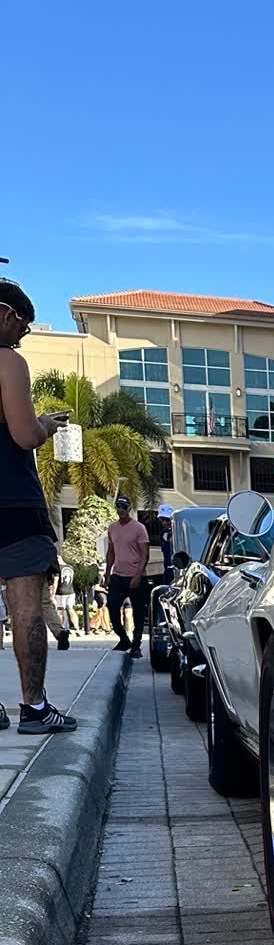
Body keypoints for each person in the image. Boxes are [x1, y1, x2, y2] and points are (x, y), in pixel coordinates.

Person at [0, 279, 78, 734]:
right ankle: (34, 707)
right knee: (27, 603)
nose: (21, 337)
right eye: (22, 328)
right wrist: (46, 424)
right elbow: (23, 435)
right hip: (12, 501)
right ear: (7, 314)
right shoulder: (7, 360)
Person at [104, 495, 150, 655]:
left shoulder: (139, 528)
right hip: (118, 575)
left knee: (138, 612)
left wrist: (138, 576)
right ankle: (124, 640)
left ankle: (136, 646)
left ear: (129, 509)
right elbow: (110, 552)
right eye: (118, 507)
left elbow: (145, 554)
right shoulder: (112, 528)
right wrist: (107, 573)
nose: (121, 510)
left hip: (136, 576)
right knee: (112, 607)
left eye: (124, 507)